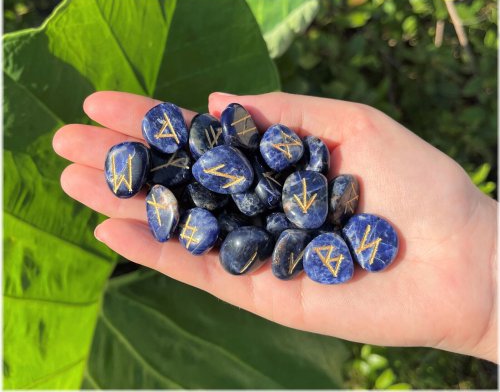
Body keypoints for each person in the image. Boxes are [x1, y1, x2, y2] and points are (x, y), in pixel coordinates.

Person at [52, 91, 497, 363]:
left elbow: (266, 190)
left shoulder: (302, 196)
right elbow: (236, 185)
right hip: (258, 212)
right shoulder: (203, 178)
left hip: (286, 216)